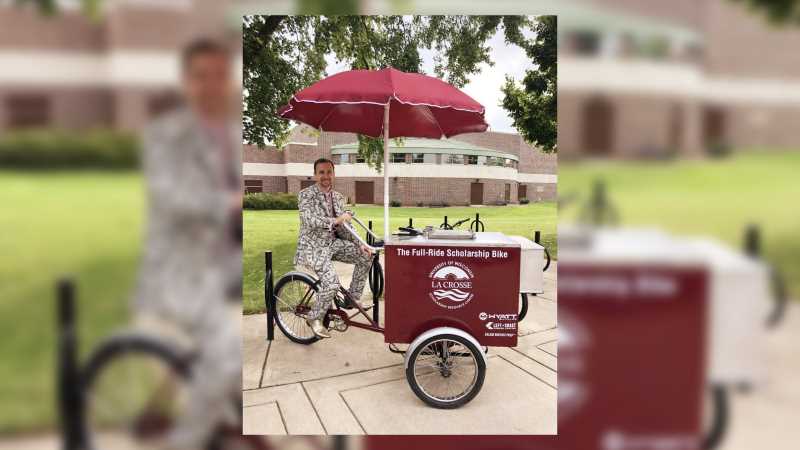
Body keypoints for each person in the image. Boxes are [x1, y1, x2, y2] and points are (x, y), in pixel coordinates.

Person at [134, 38, 241, 450]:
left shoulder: (233, 134)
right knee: (227, 355)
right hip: (183, 268)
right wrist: (228, 203)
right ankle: (187, 439)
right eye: (202, 76)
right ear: (185, 82)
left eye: (220, 75)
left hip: (225, 264)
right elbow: (171, 197)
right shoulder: (164, 136)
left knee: (229, 361)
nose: (213, 84)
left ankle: (199, 410)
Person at [295, 158, 374, 338]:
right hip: (313, 247)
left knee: (365, 256)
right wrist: (336, 220)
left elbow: (345, 226)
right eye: (321, 172)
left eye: (329, 172)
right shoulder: (305, 195)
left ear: (334, 174)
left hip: (333, 243)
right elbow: (309, 220)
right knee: (331, 283)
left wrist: (360, 244)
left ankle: (350, 300)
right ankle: (314, 317)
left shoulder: (338, 197)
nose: (325, 176)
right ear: (315, 175)